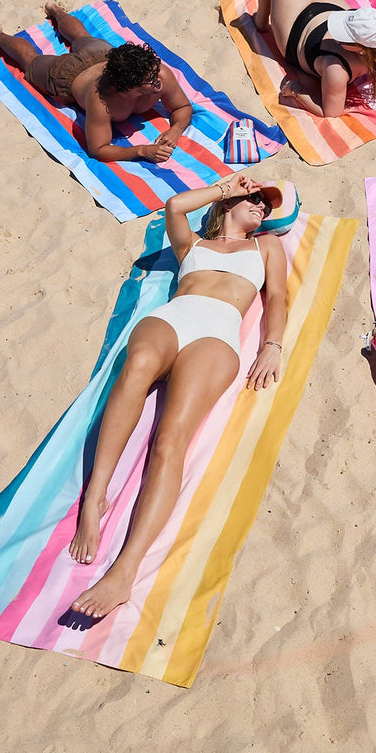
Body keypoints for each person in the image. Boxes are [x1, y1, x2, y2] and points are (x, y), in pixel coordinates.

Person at [69, 172, 287, 619]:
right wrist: (229, 188)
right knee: (136, 371)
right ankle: (95, 496)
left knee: (171, 441)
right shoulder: (192, 245)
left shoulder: (266, 246)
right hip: (173, 318)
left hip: (216, 334)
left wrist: (272, 345)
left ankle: (123, 573)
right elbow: (174, 206)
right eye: (257, 200)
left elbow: (279, 298)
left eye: (266, 206)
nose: (262, 208)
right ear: (230, 202)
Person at [0, 3, 193, 163]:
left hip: (104, 55)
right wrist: (141, 150)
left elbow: (183, 107)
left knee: (81, 36)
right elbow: (98, 149)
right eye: (150, 81)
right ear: (128, 89)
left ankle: (56, 12)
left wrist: (175, 129)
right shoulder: (102, 102)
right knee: (30, 62)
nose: (157, 82)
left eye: (154, 74)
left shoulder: (159, 74)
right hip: (68, 75)